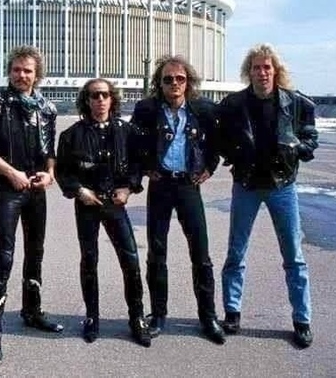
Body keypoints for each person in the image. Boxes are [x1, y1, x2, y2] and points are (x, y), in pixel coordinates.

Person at [217, 43, 318, 348]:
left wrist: (297, 148)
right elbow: (219, 137)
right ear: (248, 72)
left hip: (282, 186)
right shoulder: (233, 104)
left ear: (276, 70)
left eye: (267, 67)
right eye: (256, 67)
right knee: (236, 252)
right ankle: (232, 312)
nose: (262, 72)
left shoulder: (296, 103)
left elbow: (310, 139)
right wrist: (231, 154)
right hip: (246, 185)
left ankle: (302, 320)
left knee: (293, 256)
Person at [0, 45, 63, 368]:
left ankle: (32, 311)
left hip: (37, 189)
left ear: (37, 75)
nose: (21, 75)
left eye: (28, 70)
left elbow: (50, 149)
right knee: (5, 256)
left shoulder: (47, 108)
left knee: (35, 251)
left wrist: (49, 174)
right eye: (16, 70)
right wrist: (11, 173)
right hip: (10, 189)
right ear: (9, 72)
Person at [130, 55, 225, 344]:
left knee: (201, 252)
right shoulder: (147, 109)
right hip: (160, 185)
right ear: (159, 83)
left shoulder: (203, 109)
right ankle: (158, 315)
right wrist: (146, 167)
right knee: (156, 252)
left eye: (180, 79)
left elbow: (217, 141)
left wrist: (209, 167)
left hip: (188, 186)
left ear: (188, 82)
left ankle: (208, 316)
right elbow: (133, 142)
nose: (174, 83)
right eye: (168, 79)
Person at [55, 78, 152, 347]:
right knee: (89, 260)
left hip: (115, 203)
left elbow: (138, 164)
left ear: (112, 99)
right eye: (94, 95)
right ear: (86, 100)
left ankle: (137, 317)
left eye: (105, 95)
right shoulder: (71, 135)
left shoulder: (127, 131)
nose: (100, 100)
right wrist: (79, 191)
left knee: (130, 260)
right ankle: (92, 317)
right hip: (87, 203)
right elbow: (63, 171)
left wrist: (129, 188)